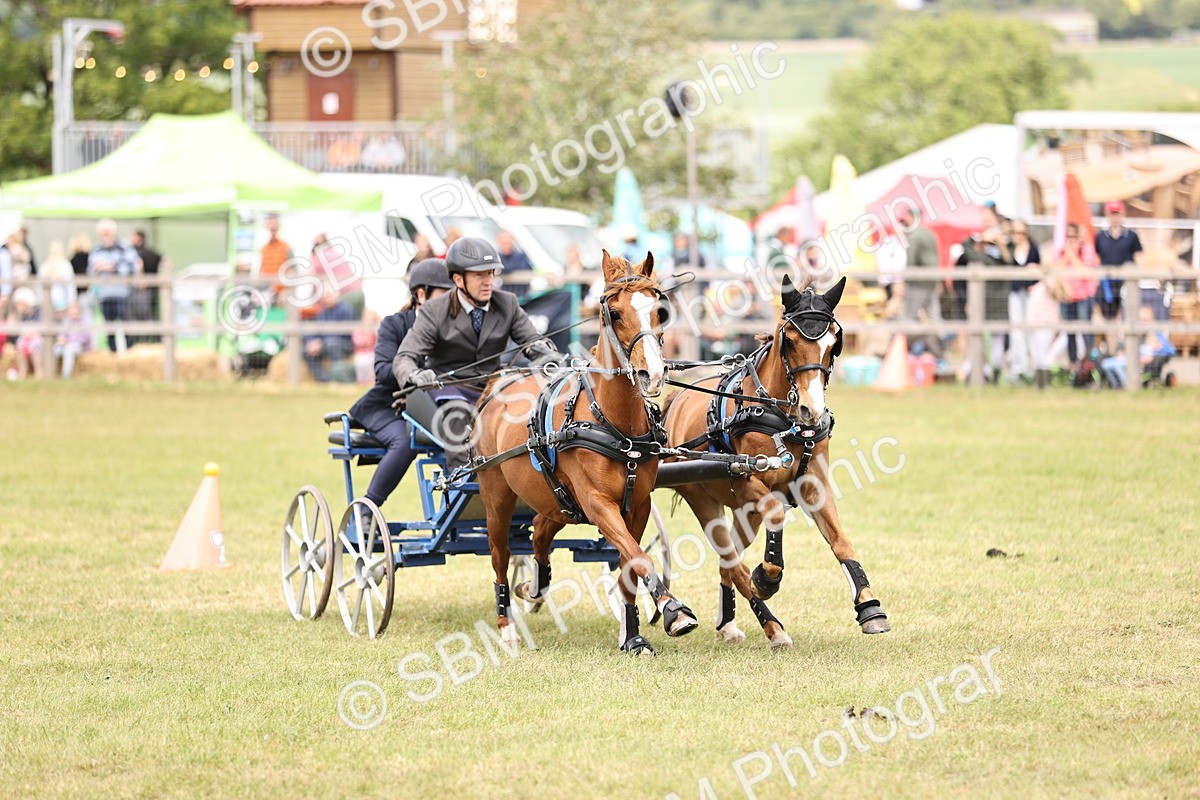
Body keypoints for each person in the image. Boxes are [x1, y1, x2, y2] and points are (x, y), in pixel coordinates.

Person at [391, 237, 559, 471]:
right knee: (459, 415)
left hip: (492, 389)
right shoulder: (434, 310)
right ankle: (462, 477)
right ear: (459, 279)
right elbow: (404, 359)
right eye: (480, 275)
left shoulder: (507, 303)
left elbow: (532, 340)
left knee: (528, 411)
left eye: (491, 274)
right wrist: (416, 374)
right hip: (447, 389)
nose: (488, 281)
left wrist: (545, 353)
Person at [348, 259, 456, 512]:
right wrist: (414, 376)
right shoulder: (394, 324)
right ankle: (366, 510)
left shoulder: (455, 329)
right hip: (389, 406)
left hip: (437, 409)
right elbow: (383, 370)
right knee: (406, 440)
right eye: (445, 294)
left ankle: (459, 512)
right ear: (421, 294)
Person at [87, 219, 140, 353]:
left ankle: (129, 351)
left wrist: (111, 267)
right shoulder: (96, 250)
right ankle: (112, 351)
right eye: (103, 233)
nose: (105, 236)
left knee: (126, 324)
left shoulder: (124, 247)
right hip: (105, 294)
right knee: (108, 325)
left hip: (123, 293)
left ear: (113, 232)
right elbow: (91, 270)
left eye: (107, 232)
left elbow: (131, 267)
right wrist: (103, 267)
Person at [897, 204, 942, 355]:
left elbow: (911, 262)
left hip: (917, 284)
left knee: (908, 318)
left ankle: (901, 352)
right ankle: (939, 352)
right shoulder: (931, 234)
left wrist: (904, 283)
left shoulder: (915, 236)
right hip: (932, 282)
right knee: (934, 318)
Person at [1054, 223, 1099, 368]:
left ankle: (1091, 365)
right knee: (1070, 333)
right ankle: (1073, 365)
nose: (1070, 240)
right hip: (1066, 298)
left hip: (1083, 298)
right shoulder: (1061, 252)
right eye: (1067, 236)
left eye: (1073, 236)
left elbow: (1086, 272)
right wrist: (1067, 255)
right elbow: (1056, 271)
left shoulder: (1087, 250)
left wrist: (1072, 256)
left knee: (1086, 332)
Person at [1093, 200, 1143, 324]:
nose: (1114, 217)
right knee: (1109, 318)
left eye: (1117, 213)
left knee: (1128, 316)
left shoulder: (1132, 236)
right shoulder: (1100, 237)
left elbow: (1139, 257)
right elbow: (1096, 258)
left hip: (1126, 283)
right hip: (1107, 284)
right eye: (1112, 213)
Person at [302, 283, 356, 382]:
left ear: (337, 295)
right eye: (325, 296)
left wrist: (322, 343)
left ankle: (339, 377)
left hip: (344, 344)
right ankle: (325, 380)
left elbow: (345, 333)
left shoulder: (345, 309)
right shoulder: (320, 312)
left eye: (329, 294)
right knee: (305, 351)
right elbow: (314, 331)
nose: (327, 298)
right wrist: (313, 342)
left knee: (332, 344)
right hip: (325, 345)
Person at [1007, 221, 1041, 383]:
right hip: (1014, 292)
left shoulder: (1034, 248)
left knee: (1031, 329)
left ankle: (1032, 367)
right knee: (1016, 329)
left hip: (1030, 294)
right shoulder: (1010, 248)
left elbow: (1039, 269)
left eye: (1021, 232)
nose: (1018, 236)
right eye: (1015, 232)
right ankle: (1018, 367)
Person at [129, 230, 164, 342]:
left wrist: (141, 281)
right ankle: (152, 341)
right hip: (152, 291)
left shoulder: (136, 253)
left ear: (139, 239)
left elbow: (139, 267)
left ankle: (143, 342)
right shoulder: (153, 253)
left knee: (141, 319)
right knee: (151, 318)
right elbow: (166, 263)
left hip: (142, 292)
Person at [10, 287, 43, 380]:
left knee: (35, 346)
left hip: (38, 337)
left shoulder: (38, 312)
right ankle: (22, 373)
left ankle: (39, 373)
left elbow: (41, 327)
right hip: (26, 337)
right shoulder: (22, 315)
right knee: (20, 346)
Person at [40, 241, 78, 320]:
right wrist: (72, 302)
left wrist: (41, 301)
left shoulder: (44, 266)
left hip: (48, 303)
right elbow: (70, 286)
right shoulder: (65, 265)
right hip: (63, 303)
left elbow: (39, 287)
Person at [54, 301, 92, 379]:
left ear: (79, 311)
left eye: (75, 313)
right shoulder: (66, 321)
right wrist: (62, 339)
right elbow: (61, 334)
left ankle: (65, 376)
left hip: (80, 346)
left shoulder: (84, 322)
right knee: (55, 350)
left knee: (69, 350)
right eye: (71, 313)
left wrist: (69, 342)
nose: (73, 315)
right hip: (66, 344)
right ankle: (51, 374)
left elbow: (85, 338)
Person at [259, 214, 293, 293]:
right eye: (270, 228)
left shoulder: (286, 246)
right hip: (266, 288)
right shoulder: (263, 247)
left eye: (274, 228)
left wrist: (288, 290)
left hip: (282, 289)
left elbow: (293, 268)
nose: (272, 230)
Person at [496, 230, 534, 299]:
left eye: (507, 243)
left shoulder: (521, 256)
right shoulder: (497, 257)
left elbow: (529, 270)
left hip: (522, 295)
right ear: (499, 242)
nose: (506, 246)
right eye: (503, 243)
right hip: (505, 296)